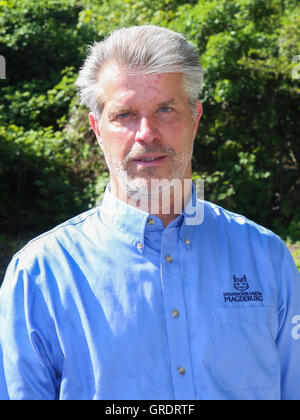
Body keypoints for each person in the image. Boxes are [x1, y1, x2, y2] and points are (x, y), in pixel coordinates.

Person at [0, 25, 299, 401]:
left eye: (165, 109)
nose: (147, 132)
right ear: (97, 128)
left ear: (196, 117)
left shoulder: (267, 258)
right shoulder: (39, 275)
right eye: (124, 114)